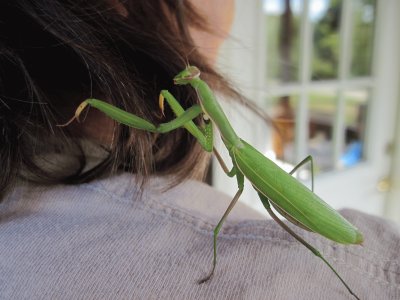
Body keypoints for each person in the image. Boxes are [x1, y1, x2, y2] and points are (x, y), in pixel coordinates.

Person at [0, 1, 399, 299]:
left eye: (188, 77)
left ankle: (331, 259)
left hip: (332, 235)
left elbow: (201, 137)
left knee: (312, 239)